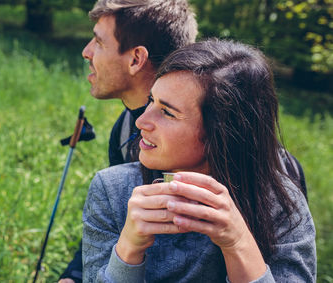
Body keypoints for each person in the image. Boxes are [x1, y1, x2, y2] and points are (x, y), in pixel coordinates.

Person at [59, 0, 308, 282]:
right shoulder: (114, 176)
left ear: (221, 133)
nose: (142, 122)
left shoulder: (281, 197)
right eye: (151, 102)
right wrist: (123, 252)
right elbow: (107, 233)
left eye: (167, 111)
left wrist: (238, 242)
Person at [59, 1, 198, 281]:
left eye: (98, 41)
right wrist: (73, 275)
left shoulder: (200, 140)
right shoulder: (124, 130)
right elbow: (117, 222)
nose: (86, 52)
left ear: (136, 59)